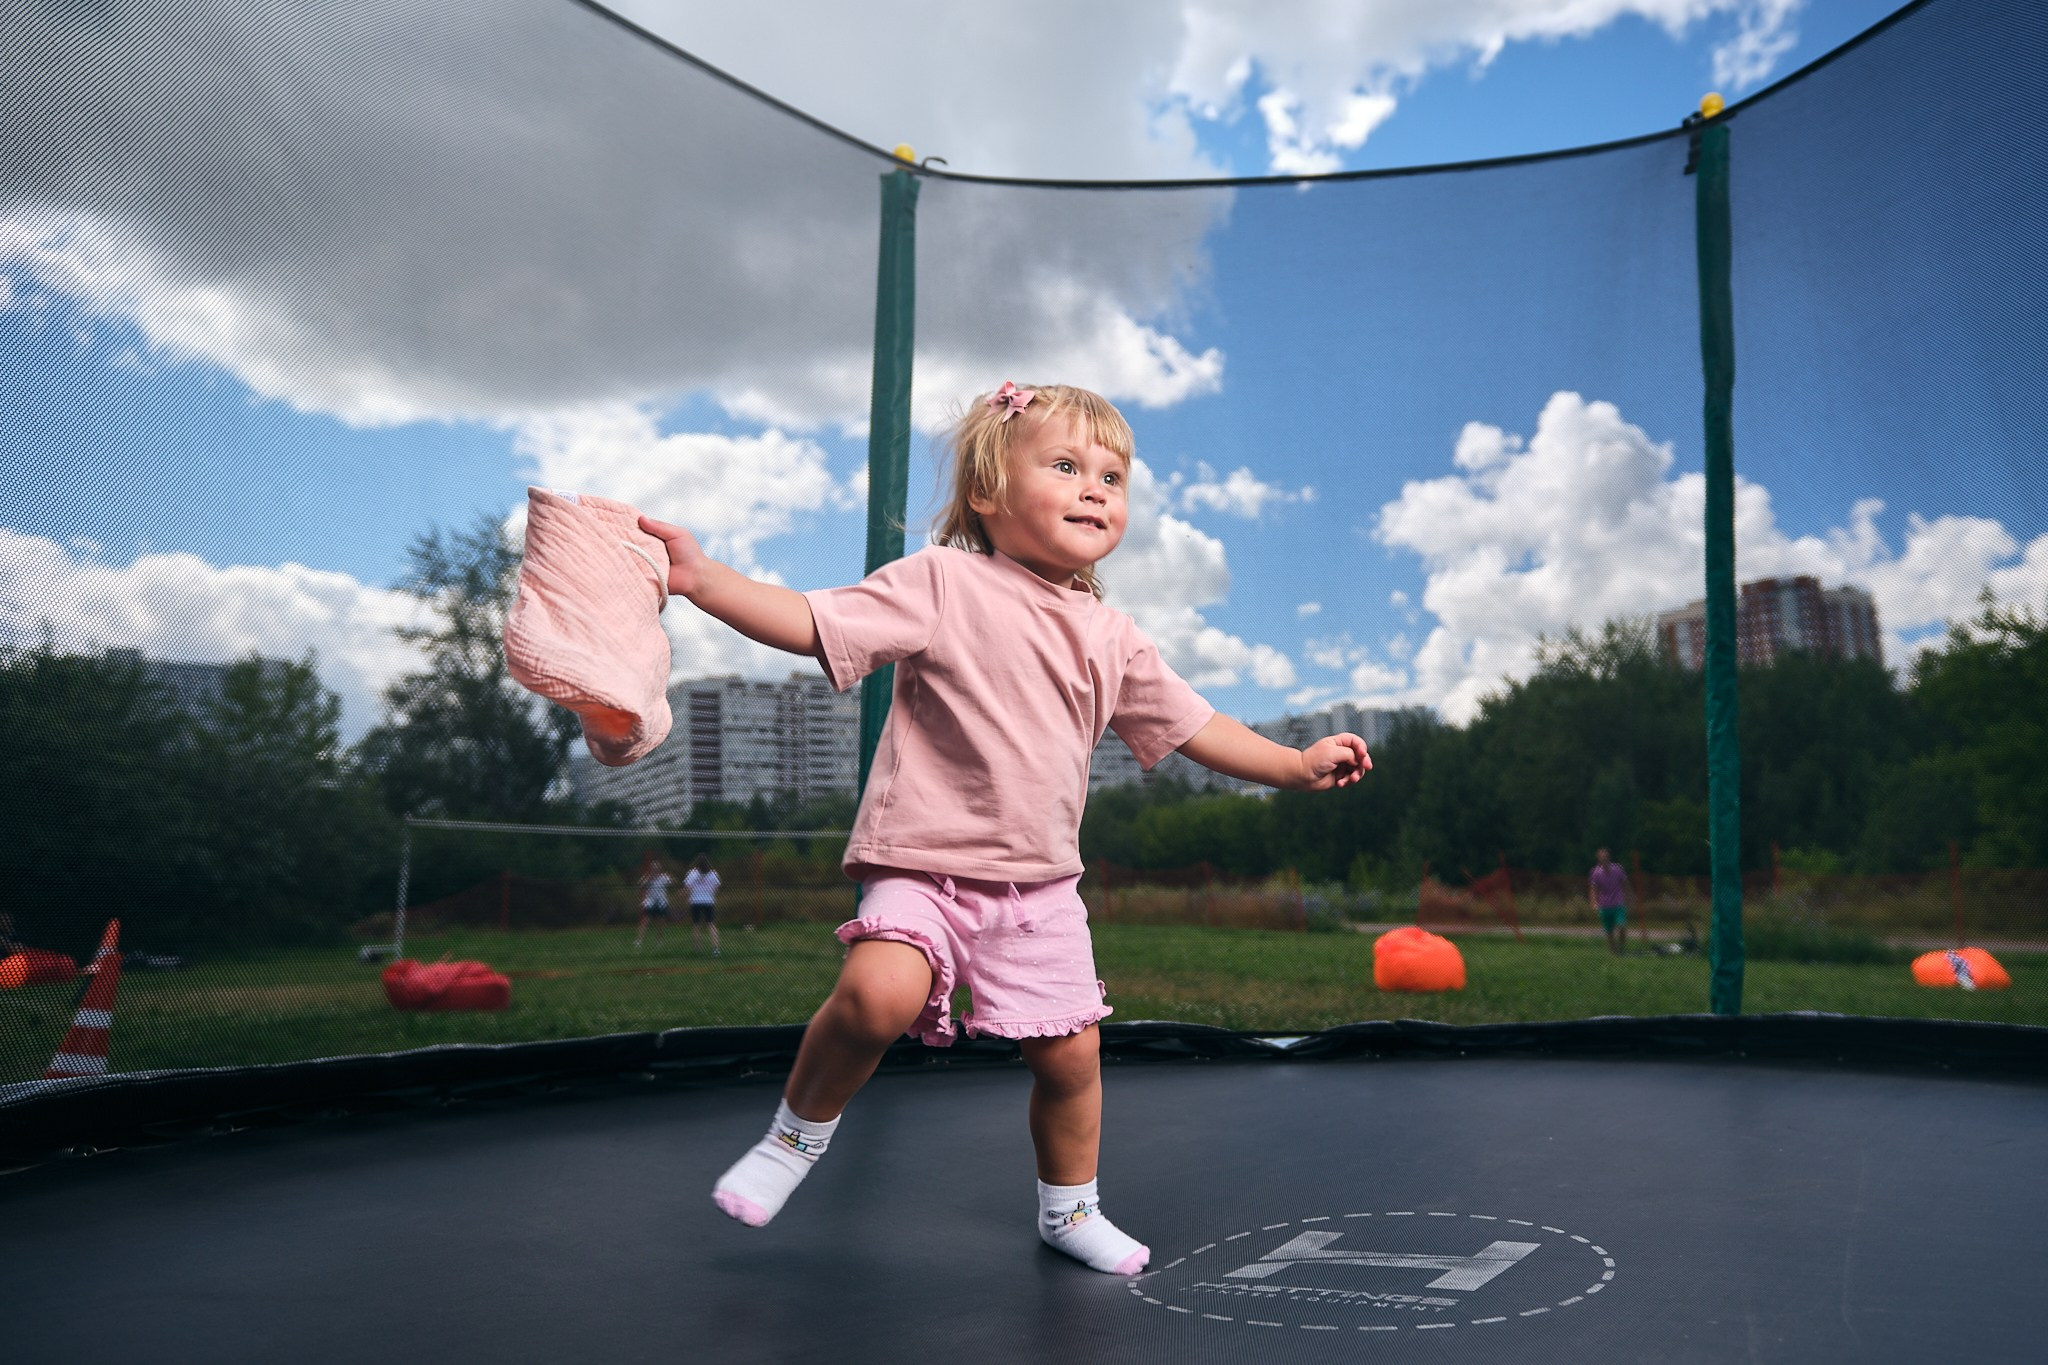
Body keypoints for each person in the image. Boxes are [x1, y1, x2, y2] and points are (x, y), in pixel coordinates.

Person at [638, 381, 1371, 1277]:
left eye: (1114, 476)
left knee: (1071, 1059)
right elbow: (814, 619)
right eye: (1066, 467)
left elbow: (1195, 725)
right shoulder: (943, 581)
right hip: (922, 865)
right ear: (987, 493)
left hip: (1040, 889)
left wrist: (1294, 764)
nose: (1097, 489)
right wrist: (704, 579)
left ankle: (1069, 1210)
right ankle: (793, 1141)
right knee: (876, 996)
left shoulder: (1113, 635)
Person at [1589, 847, 1630, 955]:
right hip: (1604, 905)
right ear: (1599, 859)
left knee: (1622, 926)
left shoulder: (1617, 869)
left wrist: (1629, 897)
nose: (1605, 859)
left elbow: (1625, 884)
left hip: (1618, 903)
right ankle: (1613, 952)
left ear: (1609, 857)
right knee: (1609, 931)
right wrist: (1594, 903)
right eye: (1602, 858)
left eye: (1606, 857)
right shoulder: (1596, 872)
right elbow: (1593, 889)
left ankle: (1621, 947)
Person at [684, 854, 722, 957]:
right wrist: (709, 891)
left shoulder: (692, 874)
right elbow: (717, 887)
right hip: (708, 901)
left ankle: (697, 950)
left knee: (696, 925)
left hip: (696, 901)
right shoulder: (713, 874)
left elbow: (687, 888)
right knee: (710, 924)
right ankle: (716, 949)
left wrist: (688, 894)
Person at [635, 858, 674, 949]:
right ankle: (639, 940)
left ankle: (659, 940)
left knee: (661, 922)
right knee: (645, 921)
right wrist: (649, 879)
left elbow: (672, 882)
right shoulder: (649, 878)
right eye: (654, 869)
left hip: (661, 902)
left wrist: (670, 876)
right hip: (650, 901)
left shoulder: (664, 877)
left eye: (657, 869)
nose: (656, 870)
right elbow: (641, 884)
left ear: (660, 869)